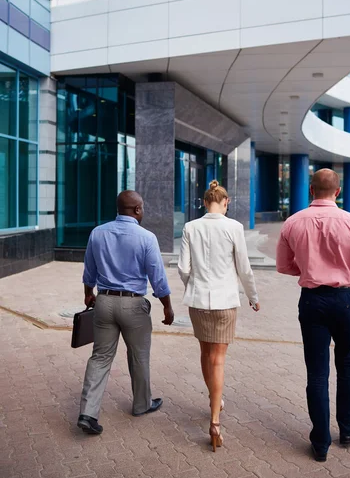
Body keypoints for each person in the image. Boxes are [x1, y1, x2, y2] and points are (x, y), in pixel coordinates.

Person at [276, 169, 350, 462]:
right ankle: (348, 430)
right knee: (347, 364)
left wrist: (308, 271)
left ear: (310, 190)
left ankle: (320, 443)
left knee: (317, 372)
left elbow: (283, 265)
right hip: (344, 299)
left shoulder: (293, 222)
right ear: (338, 191)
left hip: (312, 301)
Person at [77, 191, 174, 435]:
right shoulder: (147, 237)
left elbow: (89, 270)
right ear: (138, 210)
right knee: (139, 356)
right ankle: (142, 405)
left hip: (105, 302)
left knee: (100, 357)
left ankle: (88, 413)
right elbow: (157, 278)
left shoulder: (97, 233)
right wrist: (167, 305)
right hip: (133, 305)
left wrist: (89, 293)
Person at [178, 180, 260, 452]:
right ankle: (215, 420)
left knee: (205, 353)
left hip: (198, 300)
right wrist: (253, 296)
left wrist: (194, 285)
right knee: (219, 358)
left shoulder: (190, 227)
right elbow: (244, 269)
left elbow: (183, 268)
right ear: (225, 202)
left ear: (204, 202)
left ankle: (214, 399)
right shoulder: (234, 227)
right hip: (225, 302)